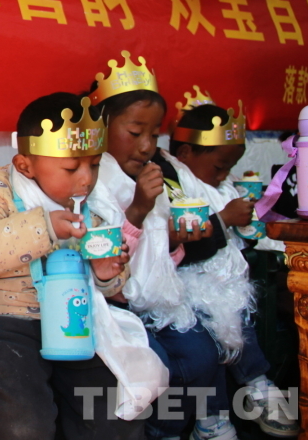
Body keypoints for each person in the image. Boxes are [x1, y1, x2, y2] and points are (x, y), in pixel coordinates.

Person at [0, 91, 154, 440]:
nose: (86, 179)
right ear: (25, 165)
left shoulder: (93, 207)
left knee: (115, 413)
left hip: (74, 323)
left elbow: (111, 279)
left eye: (94, 164)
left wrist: (106, 274)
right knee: (24, 425)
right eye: (72, 168)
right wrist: (44, 227)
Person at [84, 55, 224, 440]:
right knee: (156, 366)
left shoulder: (152, 175)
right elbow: (103, 262)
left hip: (154, 301)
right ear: (101, 127)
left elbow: (159, 257)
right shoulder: (88, 178)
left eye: (155, 134)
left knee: (202, 355)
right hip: (109, 305)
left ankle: (169, 430)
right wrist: (137, 211)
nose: (147, 146)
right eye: (134, 132)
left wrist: (175, 241)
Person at [155, 101, 299, 439]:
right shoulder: (170, 181)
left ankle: (256, 386)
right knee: (207, 324)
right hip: (179, 282)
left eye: (228, 168)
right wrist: (223, 219)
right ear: (185, 154)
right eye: (219, 167)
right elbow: (182, 244)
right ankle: (214, 417)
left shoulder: (221, 186)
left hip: (219, 282)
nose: (223, 176)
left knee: (233, 310)